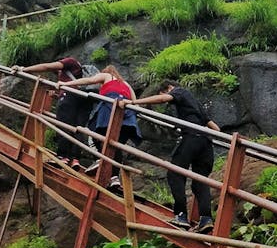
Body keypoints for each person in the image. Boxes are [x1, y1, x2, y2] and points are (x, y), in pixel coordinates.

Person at [129, 80, 221, 233]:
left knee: (174, 174)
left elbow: (163, 99)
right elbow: (215, 128)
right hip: (205, 143)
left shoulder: (180, 91)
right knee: (200, 182)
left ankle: (181, 216)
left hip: (191, 138)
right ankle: (206, 219)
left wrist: (135, 102)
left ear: (169, 88)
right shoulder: (196, 103)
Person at [58, 65, 141, 194]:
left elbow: (89, 81)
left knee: (93, 129)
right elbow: (135, 102)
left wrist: (66, 83)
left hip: (111, 108)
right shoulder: (125, 83)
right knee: (115, 145)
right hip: (127, 114)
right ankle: (114, 178)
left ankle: (99, 159)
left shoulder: (107, 75)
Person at [12, 57, 93, 168]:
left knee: (63, 125)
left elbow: (47, 66)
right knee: (78, 128)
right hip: (84, 100)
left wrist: (24, 69)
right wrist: (56, 95)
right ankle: (75, 159)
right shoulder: (78, 73)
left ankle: (63, 157)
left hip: (69, 96)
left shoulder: (69, 62)